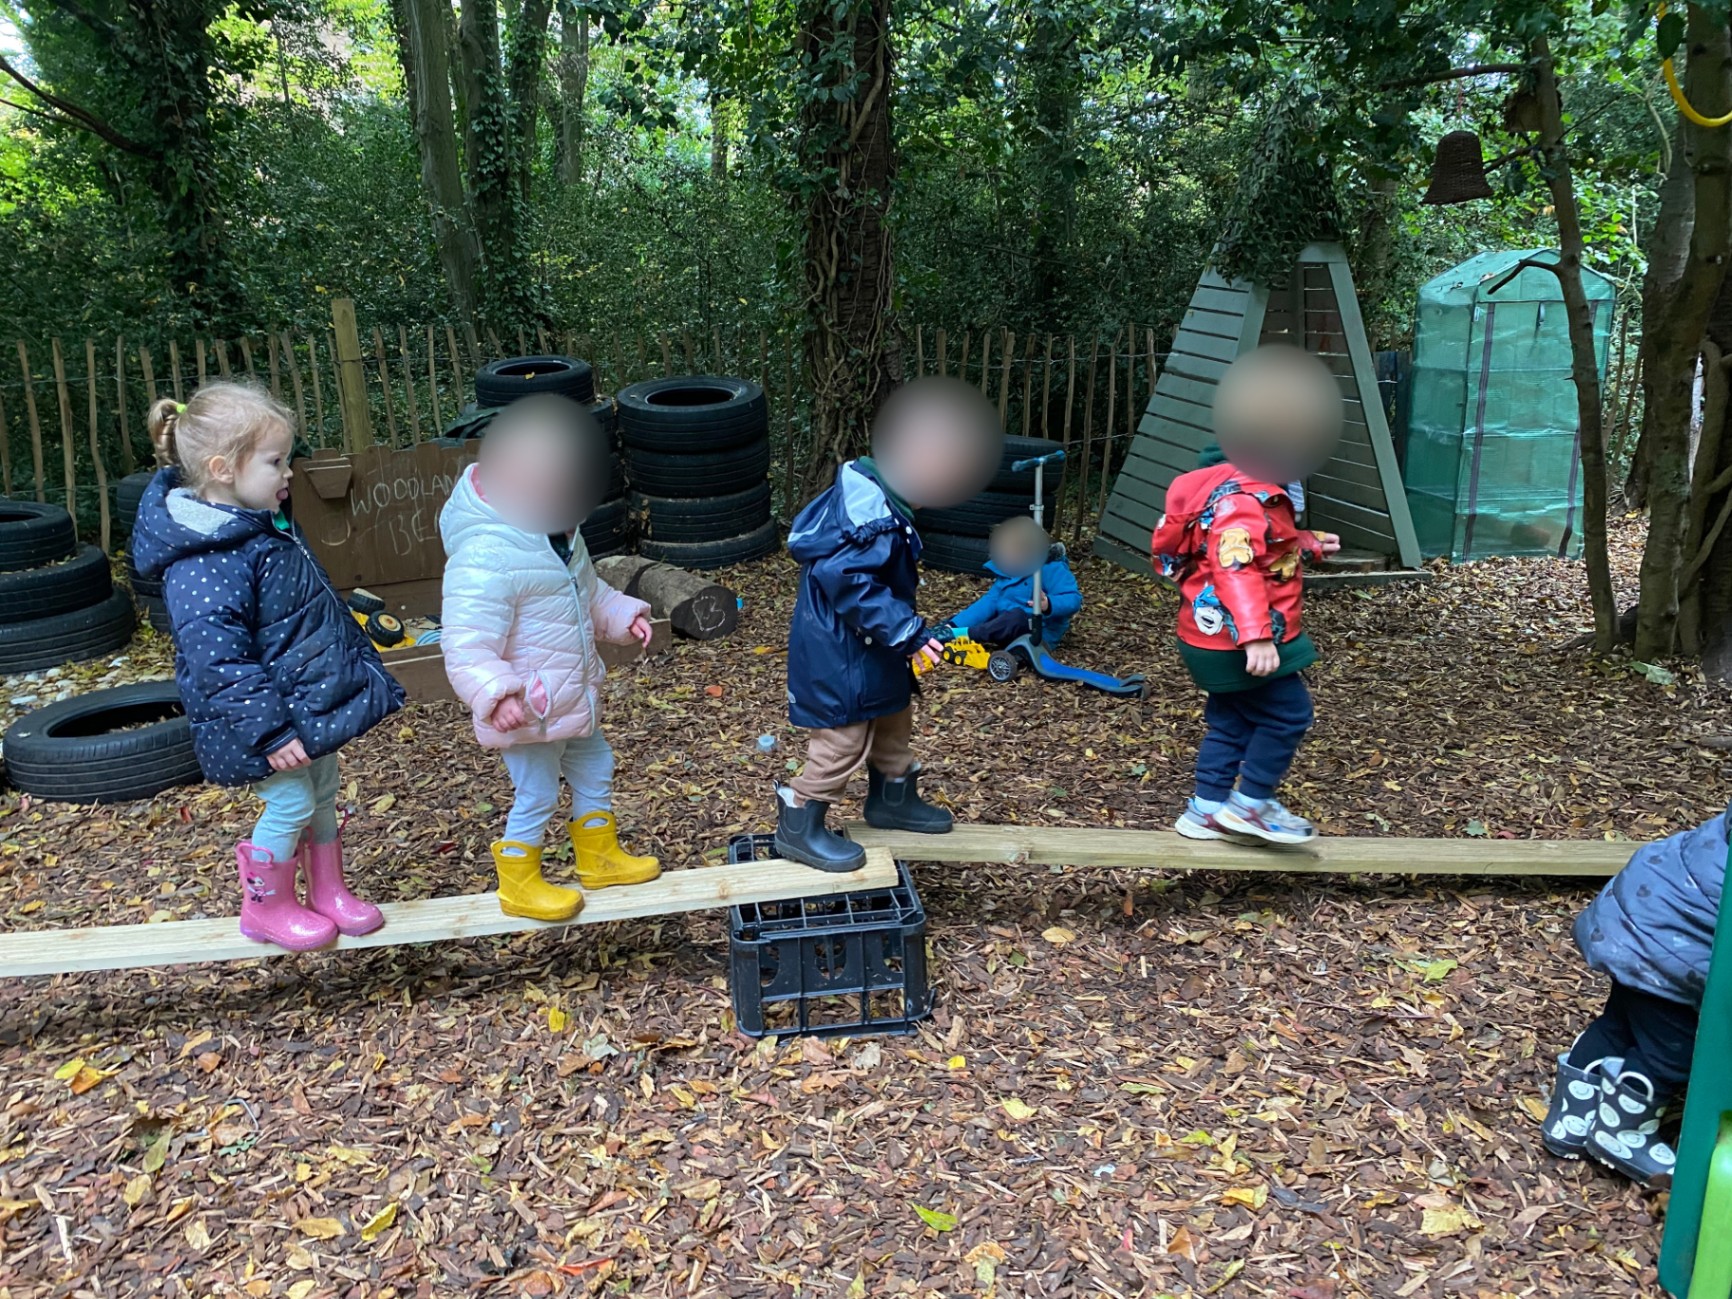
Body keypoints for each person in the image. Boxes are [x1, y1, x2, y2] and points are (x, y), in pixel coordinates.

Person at [131, 383, 405, 952]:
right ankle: (266, 905)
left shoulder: (263, 525)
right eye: (276, 461)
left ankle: (328, 890)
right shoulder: (204, 559)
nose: (289, 473)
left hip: (300, 703)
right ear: (222, 468)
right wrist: (271, 730)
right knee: (290, 801)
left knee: (323, 790)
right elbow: (217, 661)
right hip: (262, 720)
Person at [439, 395, 659, 922]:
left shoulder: (559, 537)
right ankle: (519, 880)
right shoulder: (487, 555)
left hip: (571, 697)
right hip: (528, 707)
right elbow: (465, 643)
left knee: (596, 764)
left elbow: (587, 593)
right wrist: (496, 695)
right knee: (536, 792)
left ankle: (599, 857)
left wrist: (622, 615)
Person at [777, 376, 1002, 871]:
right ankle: (798, 823)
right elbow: (848, 579)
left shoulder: (887, 502)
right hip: (840, 652)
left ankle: (892, 801)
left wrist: (908, 634)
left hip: (871, 646)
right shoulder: (866, 513)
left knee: (893, 719)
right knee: (842, 741)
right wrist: (908, 632)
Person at [1152, 346, 1343, 846]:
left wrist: (1304, 542)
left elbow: (1249, 546)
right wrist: (1257, 638)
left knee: (1231, 720)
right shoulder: (1244, 496)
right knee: (1289, 713)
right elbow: (1235, 566)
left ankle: (1206, 809)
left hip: (1207, 632)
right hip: (1240, 638)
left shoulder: (1225, 492)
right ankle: (1251, 806)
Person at [1543, 807, 1730, 1188]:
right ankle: (1621, 1132)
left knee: (1621, 1023)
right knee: (1671, 1051)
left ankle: (1571, 1118)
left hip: (1636, 920)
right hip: (1669, 953)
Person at [942, 514, 1082, 650]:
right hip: (1005, 627)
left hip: (1038, 632)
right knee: (976, 616)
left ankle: (966, 634)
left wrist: (1048, 604)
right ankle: (948, 630)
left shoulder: (1051, 569)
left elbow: (1073, 599)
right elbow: (988, 603)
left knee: (1015, 618)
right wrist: (955, 624)